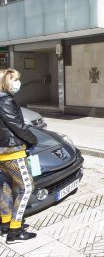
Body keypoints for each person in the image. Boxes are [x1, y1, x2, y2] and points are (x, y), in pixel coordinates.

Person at [0, 68, 37, 243]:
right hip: (12, 151)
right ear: (5, 82)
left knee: (6, 187)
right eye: (14, 79)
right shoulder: (5, 101)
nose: (17, 83)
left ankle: (6, 224)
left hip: (3, 153)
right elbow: (17, 126)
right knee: (26, 187)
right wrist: (32, 140)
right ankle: (15, 231)